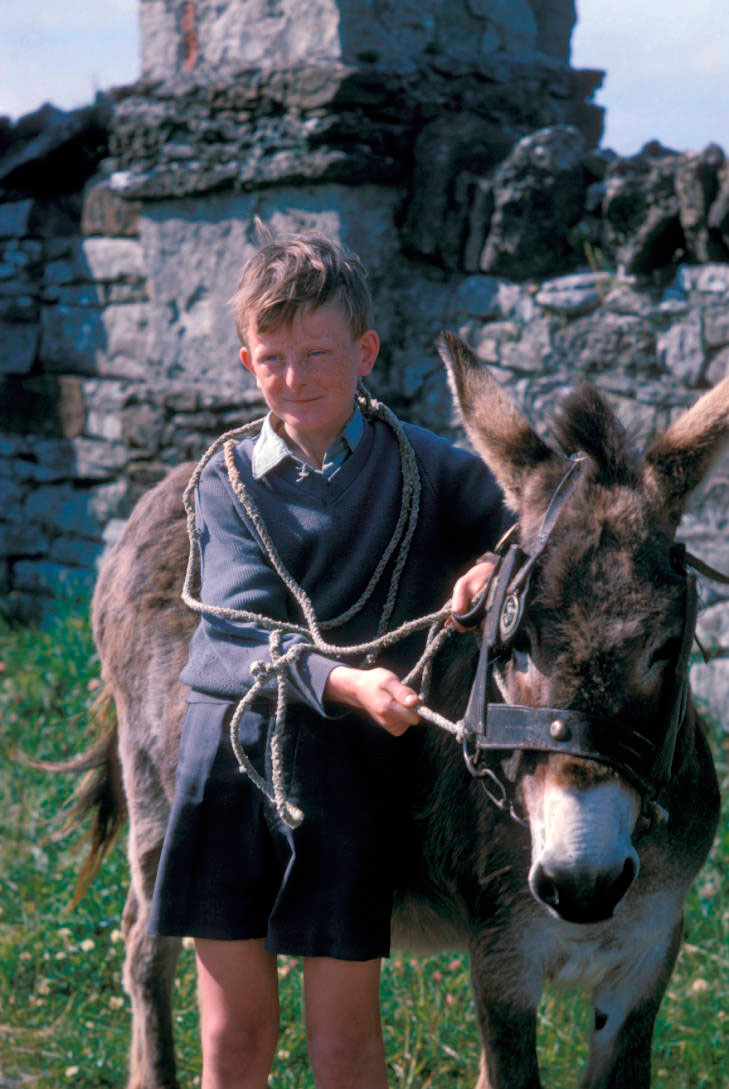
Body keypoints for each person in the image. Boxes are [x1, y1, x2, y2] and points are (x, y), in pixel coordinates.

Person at [149, 225, 508, 1089]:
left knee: (344, 1043)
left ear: (365, 351)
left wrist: (491, 563)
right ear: (245, 360)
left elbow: (521, 518)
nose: (295, 377)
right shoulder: (224, 480)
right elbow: (238, 634)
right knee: (235, 1038)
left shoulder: (427, 467)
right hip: (227, 764)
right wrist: (345, 680)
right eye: (272, 357)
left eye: (318, 352)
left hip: (346, 777)